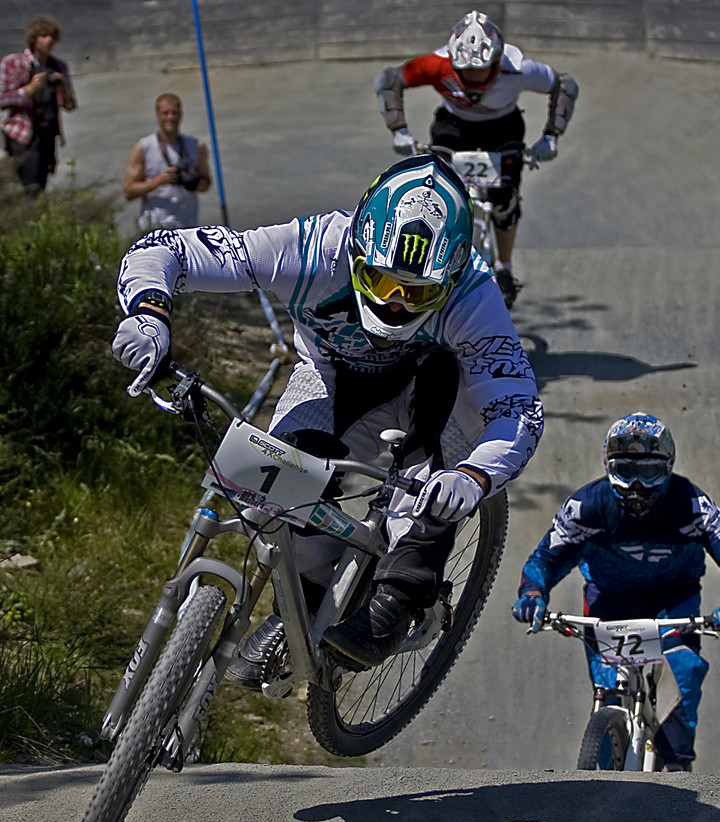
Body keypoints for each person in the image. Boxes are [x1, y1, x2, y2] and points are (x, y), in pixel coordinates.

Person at [112, 153, 544, 687]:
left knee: (431, 483)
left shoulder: (473, 293)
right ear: (359, 246)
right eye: (381, 281)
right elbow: (165, 251)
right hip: (332, 377)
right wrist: (149, 313)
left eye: (417, 293)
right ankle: (299, 604)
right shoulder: (314, 248)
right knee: (277, 496)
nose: (394, 306)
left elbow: (518, 408)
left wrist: (475, 476)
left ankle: (404, 591)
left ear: (452, 275)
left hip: (430, 387)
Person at [512, 412, 720, 771]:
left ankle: (677, 768)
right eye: (625, 471)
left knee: (683, 672)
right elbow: (545, 558)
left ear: (669, 467)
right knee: (609, 690)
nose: (637, 486)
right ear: (608, 467)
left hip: (674, 600)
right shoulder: (584, 508)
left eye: (649, 472)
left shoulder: (694, 506)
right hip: (609, 601)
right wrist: (533, 593)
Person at [375, 10, 578, 308]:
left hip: (503, 128)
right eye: (465, 70)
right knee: (437, 196)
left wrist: (551, 135)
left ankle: (504, 268)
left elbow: (564, 85)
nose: (472, 78)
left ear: (496, 61)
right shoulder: (436, 64)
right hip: (453, 127)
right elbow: (390, 79)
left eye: (480, 70)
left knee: (505, 199)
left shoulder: (517, 67)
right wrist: (399, 131)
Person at [0, 15, 77, 198]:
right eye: (43, 35)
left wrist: (63, 86)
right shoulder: (14, 62)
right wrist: (28, 90)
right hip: (23, 134)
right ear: (34, 38)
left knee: (40, 187)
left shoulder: (58, 66)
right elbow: (2, 99)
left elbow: (70, 105)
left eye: (51, 35)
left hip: (48, 134)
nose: (48, 40)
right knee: (28, 189)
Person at [123, 92, 211, 230]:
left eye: (174, 113)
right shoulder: (143, 147)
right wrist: (159, 181)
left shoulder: (196, 146)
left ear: (180, 115)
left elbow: (206, 184)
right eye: (165, 113)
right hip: (155, 228)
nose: (170, 117)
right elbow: (128, 192)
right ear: (157, 115)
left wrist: (190, 181)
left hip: (186, 226)